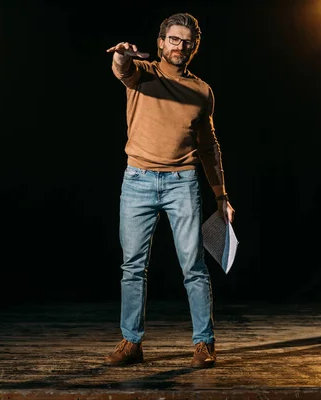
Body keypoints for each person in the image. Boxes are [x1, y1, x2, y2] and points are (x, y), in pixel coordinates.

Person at [104, 12, 235, 368]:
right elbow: (122, 69)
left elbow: (209, 146)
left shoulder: (201, 90)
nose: (180, 46)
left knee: (193, 266)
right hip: (138, 180)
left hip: (183, 182)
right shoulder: (143, 74)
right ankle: (131, 342)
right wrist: (122, 54)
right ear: (161, 43)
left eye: (186, 41)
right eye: (173, 39)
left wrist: (221, 196)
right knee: (133, 266)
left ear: (194, 47)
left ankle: (204, 344)